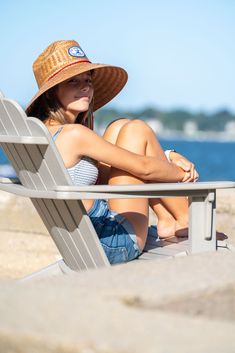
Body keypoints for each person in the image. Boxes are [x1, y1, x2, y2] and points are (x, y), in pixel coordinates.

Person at [26, 39, 198, 264]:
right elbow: (144, 169)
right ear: (51, 93)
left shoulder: (45, 133)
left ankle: (167, 218)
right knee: (137, 129)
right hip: (114, 241)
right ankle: (184, 219)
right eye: (73, 81)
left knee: (119, 127)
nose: (85, 86)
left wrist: (166, 156)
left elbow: (115, 171)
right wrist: (182, 173)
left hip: (83, 239)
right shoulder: (75, 135)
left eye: (88, 80)